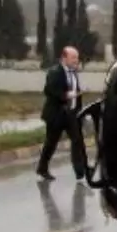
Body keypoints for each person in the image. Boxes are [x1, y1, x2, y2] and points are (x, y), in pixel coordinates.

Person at [36, 46, 87, 181]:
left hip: (71, 114)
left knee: (78, 141)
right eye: (73, 57)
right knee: (51, 143)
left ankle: (80, 171)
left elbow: (77, 92)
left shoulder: (74, 72)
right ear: (64, 58)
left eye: (77, 57)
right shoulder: (55, 72)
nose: (76, 60)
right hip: (56, 115)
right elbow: (49, 90)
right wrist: (66, 95)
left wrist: (79, 109)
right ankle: (42, 168)